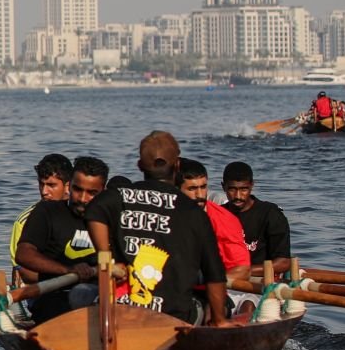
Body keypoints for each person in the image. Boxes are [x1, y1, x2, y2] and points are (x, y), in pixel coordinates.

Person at [85, 131, 230, 326]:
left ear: (139, 166)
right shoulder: (193, 212)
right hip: (173, 317)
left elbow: (94, 210)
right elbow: (214, 273)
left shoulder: (116, 197)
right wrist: (220, 321)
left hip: (120, 309)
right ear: (177, 165)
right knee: (205, 306)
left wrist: (106, 257)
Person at [13, 156, 109, 323]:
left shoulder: (111, 218)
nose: (82, 199)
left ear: (103, 191)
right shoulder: (47, 212)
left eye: (92, 193)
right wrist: (68, 270)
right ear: (69, 185)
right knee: (79, 294)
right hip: (54, 297)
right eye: (78, 190)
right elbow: (23, 254)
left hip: (99, 299)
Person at [177, 158, 253, 313]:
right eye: (192, 189)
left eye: (203, 187)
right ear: (176, 189)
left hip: (208, 294)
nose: (200, 195)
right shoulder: (161, 213)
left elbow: (242, 270)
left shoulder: (225, 220)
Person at [9, 153, 73, 284]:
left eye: (51, 185)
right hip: (41, 291)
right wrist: (68, 275)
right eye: (41, 184)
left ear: (68, 186)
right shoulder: (24, 221)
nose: (44, 191)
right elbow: (23, 272)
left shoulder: (85, 214)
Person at [220, 161, 292, 278]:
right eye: (232, 189)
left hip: (260, 282)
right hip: (223, 280)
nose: (238, 196)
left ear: (252, 185)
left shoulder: (271, 214)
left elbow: (283, 263)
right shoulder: (217, 215)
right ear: (223, 187)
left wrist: (243, 272)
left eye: (244, 189)